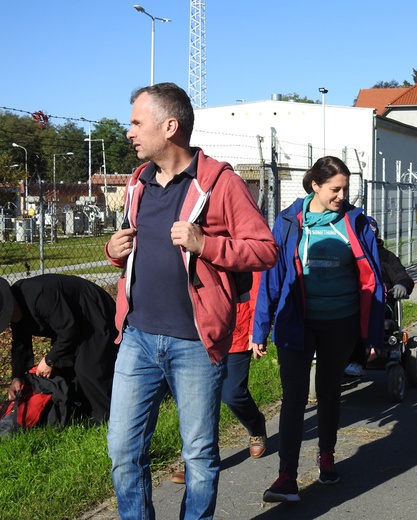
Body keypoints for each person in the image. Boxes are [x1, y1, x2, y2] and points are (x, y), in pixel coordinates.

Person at [104, 82, 278, 520]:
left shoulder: (219, 183)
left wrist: (207, 245)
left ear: (170, 126)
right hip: (138, 337)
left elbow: (265, 250)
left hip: (195, 345)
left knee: (198, 458)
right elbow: (131, 256)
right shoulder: (137, 182)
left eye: (136, 123)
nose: (129, 132)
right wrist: (113, 252)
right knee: (123, 451)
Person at [251, 156, 385, 503]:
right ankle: (286, 476)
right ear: (315, 186)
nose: (342, 195)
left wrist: (372, 335)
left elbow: (374, 282)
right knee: (294, 399)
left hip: (340, 323)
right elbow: (271, 276)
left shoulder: (355, 223)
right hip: (296, 323)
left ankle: (327, 456)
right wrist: (259, 328)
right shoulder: (288, 222)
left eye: (346, 188)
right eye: (335, 189)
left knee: (328, 392)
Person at [171, 271, 268, 484]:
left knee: (233, 393)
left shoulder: (240, 241)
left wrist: (257, 330)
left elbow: (258, 290)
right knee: (200, 402)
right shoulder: (193, 242)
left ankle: (256, 425)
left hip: (238, 330)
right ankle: (198, 462)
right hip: (200, 333)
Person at [2, 274, 118, 424]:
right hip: (70, 322)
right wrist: (16, 377)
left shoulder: (39, 295)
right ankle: (80, 412)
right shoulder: (16, 312)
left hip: (92, 311)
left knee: (88, 370)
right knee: (64, 368)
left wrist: (50, 359)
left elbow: (69, 331)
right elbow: (21, 345)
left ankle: (105, 419)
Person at [344, 215, 414, 377]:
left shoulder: (386, 257)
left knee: (363, 319)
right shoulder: (349, 256)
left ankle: (357, 361)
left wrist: (402, 285)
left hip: (382, 304)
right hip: (353, 302)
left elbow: (403, 277)